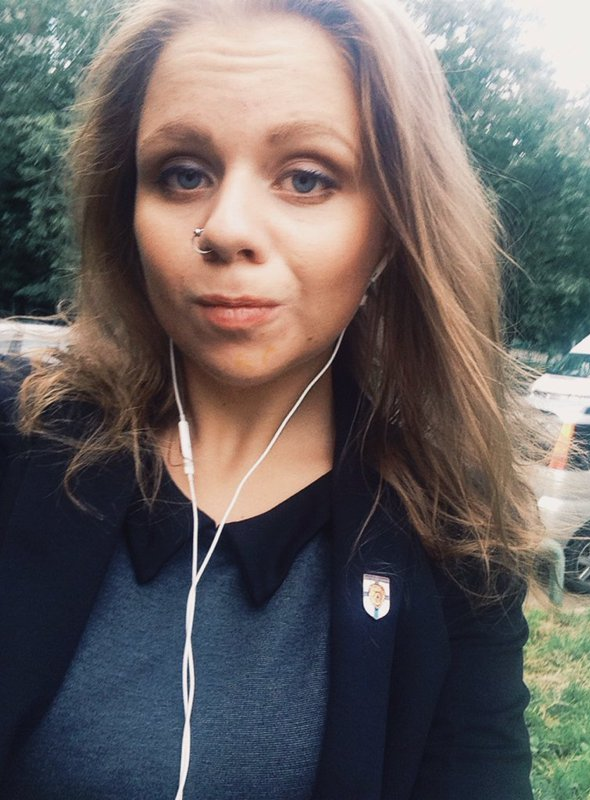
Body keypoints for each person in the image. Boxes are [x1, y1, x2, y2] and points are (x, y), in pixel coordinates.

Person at [0, 0, 541, 797]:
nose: (225, 228)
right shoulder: (18, 443)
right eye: (183, 173)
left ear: (393, 225)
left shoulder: (456, 540)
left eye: (306, 178)